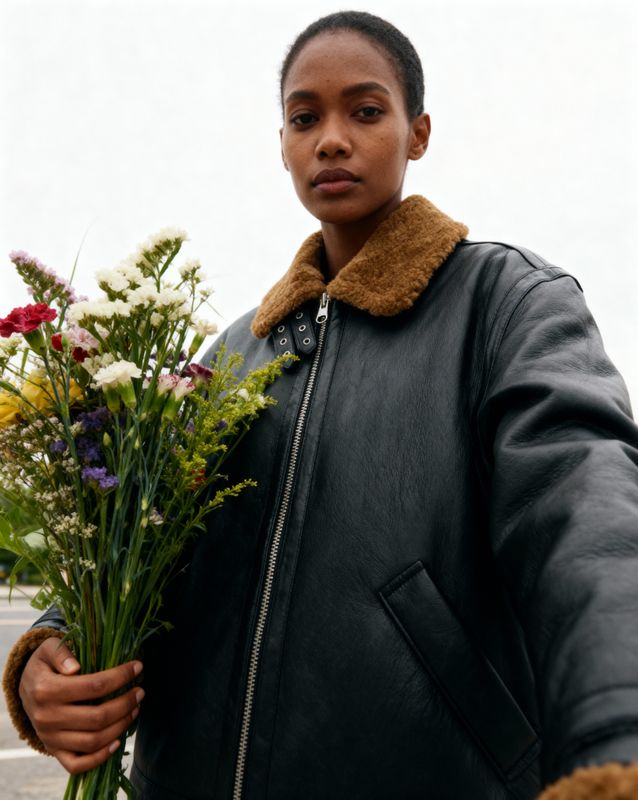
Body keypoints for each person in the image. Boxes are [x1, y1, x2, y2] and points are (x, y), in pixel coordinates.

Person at [4, 10, 638, 799]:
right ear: (282, 144)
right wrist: (49, 653)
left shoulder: (506, 304)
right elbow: (137, 546)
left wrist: (615, 739)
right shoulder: (228, 358)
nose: (331, 139)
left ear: (418, 132)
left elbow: (587, 520)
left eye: (366, 111)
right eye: (305, 118)